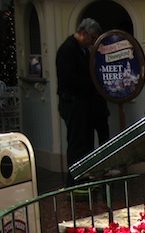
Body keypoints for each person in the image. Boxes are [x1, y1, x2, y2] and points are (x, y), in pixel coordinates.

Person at [56, 18, 110, 185]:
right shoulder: (67, 49)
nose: (93, 42)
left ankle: (84, 177)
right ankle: (73, 181)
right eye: (92, 38)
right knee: (77, 143)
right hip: (73, 103)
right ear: (83, 33)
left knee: (85, 143)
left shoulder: (83, 50)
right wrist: (92, 84)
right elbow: (68, 78)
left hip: (84, 105)